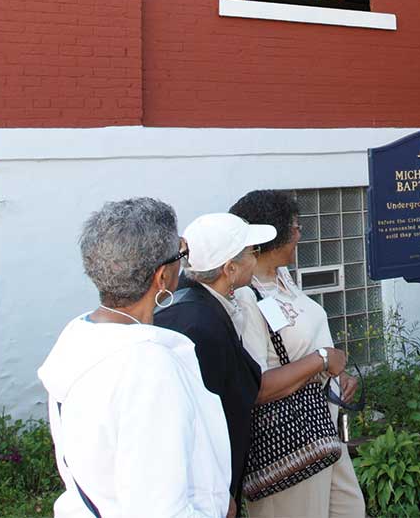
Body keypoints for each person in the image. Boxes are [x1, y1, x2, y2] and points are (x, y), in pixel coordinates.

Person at [38, 198, 233, 518]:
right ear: (162, 278)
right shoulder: (147, 368)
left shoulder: (80, 335)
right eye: (181, 256)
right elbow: (160, 510)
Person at [156, 212, 348, 511]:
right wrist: (221, 491)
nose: (255, 258)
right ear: (229, 269)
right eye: (250, 252)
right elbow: (214, 414)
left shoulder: (208, 304)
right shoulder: (200, 324)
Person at [229, 190, 367, 518]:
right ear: (272, 233)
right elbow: (255, 384)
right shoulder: (246, 298)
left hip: (320, 426)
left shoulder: (283, 279)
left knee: (350, 509)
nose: (299, 234)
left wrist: (337, 374)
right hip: (286, 441)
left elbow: (299, 344)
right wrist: (320, 360)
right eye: (294, 227)